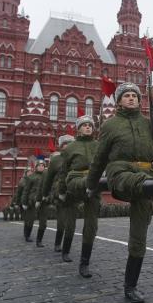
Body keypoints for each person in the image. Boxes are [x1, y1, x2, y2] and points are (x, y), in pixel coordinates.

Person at [86, 83, 153, 303]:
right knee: (136, 180)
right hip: (120, 172)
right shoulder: (111, 125)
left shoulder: (149, 125)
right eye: (126, 96)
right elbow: (100, 157)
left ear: (140, 101)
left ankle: (131, 286)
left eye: (134, 96)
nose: (131, 98)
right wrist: (91, 184)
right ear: (119, 101)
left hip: (147, 177)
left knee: (139, 235)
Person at [58, 115, 101, 277]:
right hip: (75, 184)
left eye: (90, 125)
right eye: (84, 125)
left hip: (94, 185)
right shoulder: (70, 148)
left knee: (91, 226)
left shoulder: (99, 146)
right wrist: (62, 192)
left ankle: (84, 263)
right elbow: (63, 172)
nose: (88, 127)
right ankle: (65, 251)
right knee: (70, 224)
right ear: (78, 129)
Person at [40, 134, 75, 252]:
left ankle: (66, 249)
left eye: (70, 143)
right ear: (61, 146)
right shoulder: (56, 160)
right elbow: (48, 180)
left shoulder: (76, 157)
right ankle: (57, 244)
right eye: (65, 144)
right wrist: (45, 194)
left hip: (73, 193)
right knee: (61, 223)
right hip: (60, 194)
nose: (68, 146)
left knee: (70, 225)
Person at [23, 160, 47, 246]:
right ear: (36, 167)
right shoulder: (31, 177)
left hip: (43, 201)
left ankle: (39, 241)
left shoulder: (47, 176)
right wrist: (24, 202)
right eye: (39, 165)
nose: (41, 167)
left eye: (43, 165)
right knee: (30, 220)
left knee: (43, 222)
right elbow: (26, 191)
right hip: (32, 201)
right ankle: (27, 236)